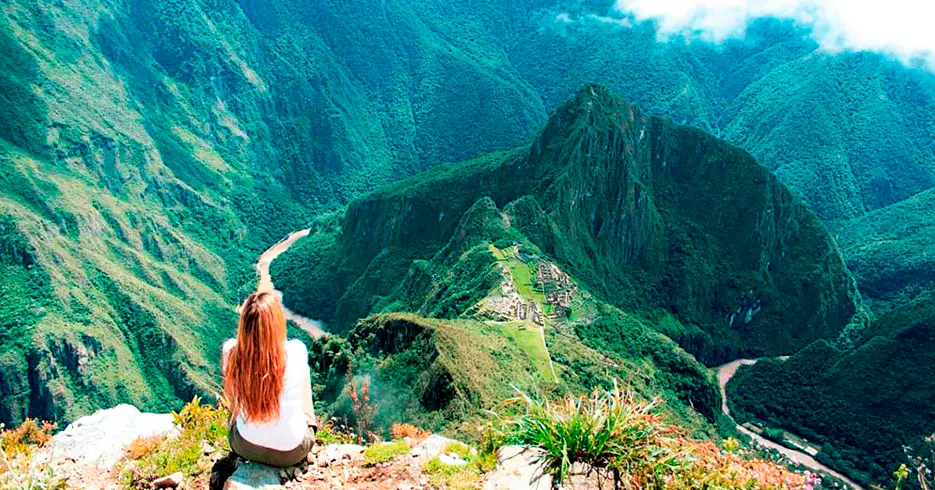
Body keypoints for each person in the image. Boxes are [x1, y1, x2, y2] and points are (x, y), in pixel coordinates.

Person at [222, 292, 316, 467]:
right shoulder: (296, 351)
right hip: (293, 452)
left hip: (245, 447)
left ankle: (253, 427)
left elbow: (233, 400)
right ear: (277, 323)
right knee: (304, 376)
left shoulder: (230, 352)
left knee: (236, 388)